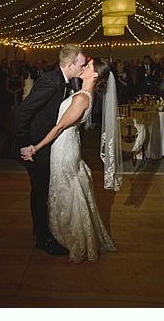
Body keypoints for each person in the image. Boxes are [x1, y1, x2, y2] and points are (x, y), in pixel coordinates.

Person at [22, 58, 121, 263]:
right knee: (63, 189)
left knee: (64, 190)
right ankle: (58, 231)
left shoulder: (82, 98)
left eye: (89, 66)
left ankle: (70, 236)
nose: (84, 67)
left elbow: (59, 127)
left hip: (64, 147)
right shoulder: (85, 95)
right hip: (67, 144)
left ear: (95, 75)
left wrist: (37, 147)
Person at [15, 44, 86, 257]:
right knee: (40, 191)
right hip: (35, 145)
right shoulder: (51, 81)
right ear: (71, 64)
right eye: (81, 65)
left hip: (45, 144)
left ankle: (40, 230)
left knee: (42, 189)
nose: (83, 69)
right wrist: (25, 144)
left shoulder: (63, 80)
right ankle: (43, 239)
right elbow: (23, 112)